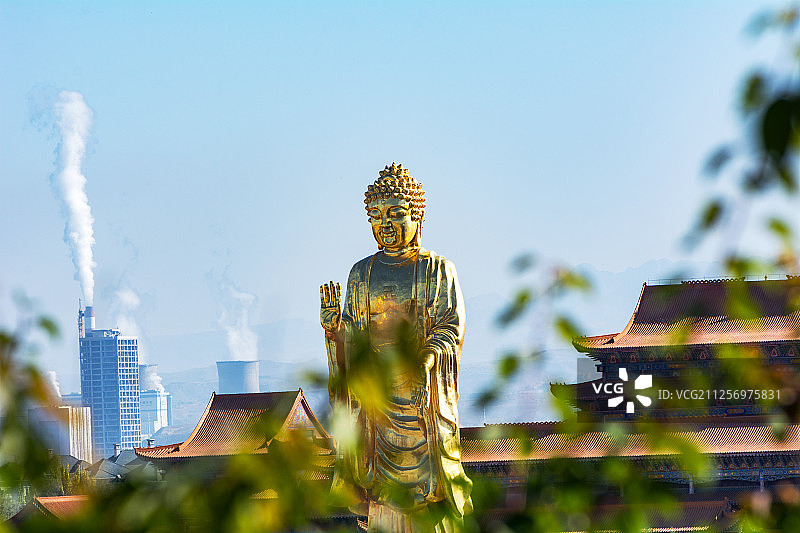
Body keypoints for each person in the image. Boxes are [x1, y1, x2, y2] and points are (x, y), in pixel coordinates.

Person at [320, 163, 472, 532]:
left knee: (427, 487)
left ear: (416, 216)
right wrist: (335, 330)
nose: (385, 224)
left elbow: (450, 326)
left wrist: (428, 356)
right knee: (380, 490)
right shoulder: (361, 273)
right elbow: (354, 341)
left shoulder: (437, 269)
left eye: (395, 214)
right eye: (376, 216)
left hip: (422, 392)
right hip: (376, 398)